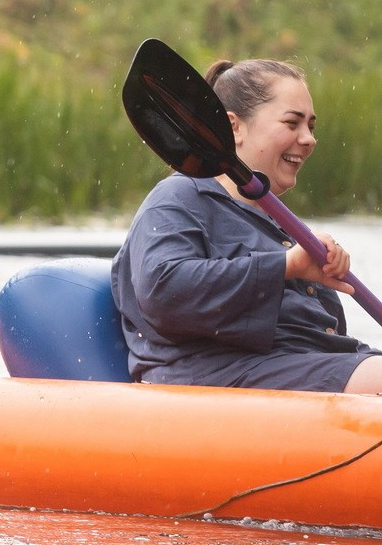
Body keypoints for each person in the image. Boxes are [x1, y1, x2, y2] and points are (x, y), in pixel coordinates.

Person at [113, 59, 380, 394]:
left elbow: (323, 330)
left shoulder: (273, 220)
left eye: (311, 126)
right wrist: (286, 266)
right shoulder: (177, 197)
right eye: (292, 123)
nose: (309, 139)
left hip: (299, 365)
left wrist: (315, 274)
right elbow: (163, 291)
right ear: (233, 127)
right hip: (212, 376)